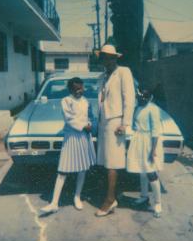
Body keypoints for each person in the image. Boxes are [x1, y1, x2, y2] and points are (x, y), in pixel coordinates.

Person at [41, 77, 96, 214]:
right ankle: (54, 203)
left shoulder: (86, 102)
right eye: (76, 88)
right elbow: (69, 118)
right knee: (63, 169)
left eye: (81, 88)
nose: (79, 91)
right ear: (70, 89)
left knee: (82, 168)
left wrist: (90, 124)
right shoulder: (66, 101)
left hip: (84, 137)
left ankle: (77, 196)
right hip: (71, 136)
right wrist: (84, 126)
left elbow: (90, 117)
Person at [95, 44, 135, 217]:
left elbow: (130, 99)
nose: (106, 60)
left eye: (109, 57)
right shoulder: (103, 76)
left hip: (116, 122)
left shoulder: (123, 72)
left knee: (113, 163)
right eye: (103, 57)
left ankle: (110, 200)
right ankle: (111, 197)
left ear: (115, 58)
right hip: (104, 123)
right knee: (106, 162)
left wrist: (125, 123)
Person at [127, 86, 164, 218]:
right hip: (139, 140)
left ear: (150, 98)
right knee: (142, 170)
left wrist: (153, 151)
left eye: (144, 97)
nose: (141, 99)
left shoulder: (153, 109)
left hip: (150, 143)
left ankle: (158, 203)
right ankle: (144, 196)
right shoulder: (138, 107)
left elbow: (156, 131)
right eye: (139, 97)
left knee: (151, 172)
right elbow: (133, 125)